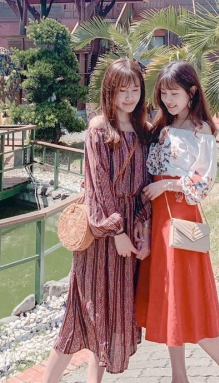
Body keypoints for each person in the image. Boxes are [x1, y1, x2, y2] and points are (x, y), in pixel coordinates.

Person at [42, 58, 152, 383]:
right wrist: (116, 231)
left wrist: (141, 227)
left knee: (110, 315)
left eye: (135, 89)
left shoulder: (144, 131)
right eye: (123, 90)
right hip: (102, 236)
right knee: (80, 314)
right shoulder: (99, 129)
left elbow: (146, 184)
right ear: (110, 91)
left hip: (129, 234)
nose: (129, 97)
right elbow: (99, 185)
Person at [136, 60, 219, 383]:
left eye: (175, 93)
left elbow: (203, 182)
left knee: (188, 298)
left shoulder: (201, 131)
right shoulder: (161, 127)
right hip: (159, 219)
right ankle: (178, 376)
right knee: (171, 298)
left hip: (181, 216)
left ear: (192, 92)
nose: (168, 100)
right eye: (164, 94)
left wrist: (166, 186)